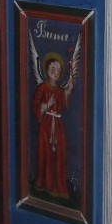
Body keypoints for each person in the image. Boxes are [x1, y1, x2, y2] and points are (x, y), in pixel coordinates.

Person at [33, 55, 74, 198]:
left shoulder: (59, 90)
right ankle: (44, 183)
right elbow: (36, 106)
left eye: (58, 71)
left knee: (59, 154)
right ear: (47, 70)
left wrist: (69, 89)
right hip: (46, 126)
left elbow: (64, 101)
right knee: (45, 153)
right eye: (53, 70)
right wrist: (47, 105)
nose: (55, 73)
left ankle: (58, 186)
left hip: (57, 126)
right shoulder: (42, 88)